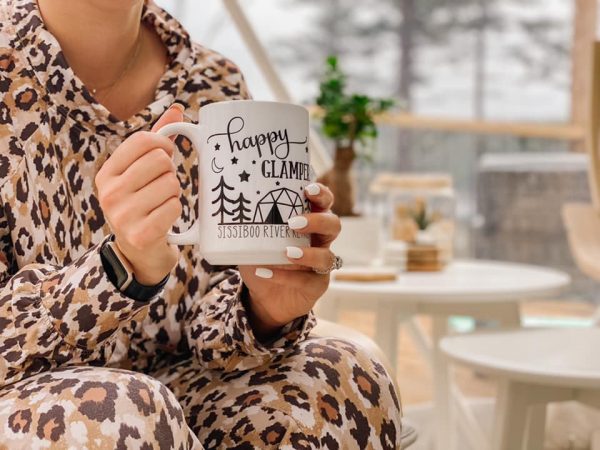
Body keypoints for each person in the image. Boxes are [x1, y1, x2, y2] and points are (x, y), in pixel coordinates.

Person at [0, 0, 403, 448]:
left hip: (178, 388)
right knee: (116, 412)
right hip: (24, 401)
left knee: (345, 377)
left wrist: (263, 308)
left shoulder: (214, 81)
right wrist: (119, 271)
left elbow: (210, 333)